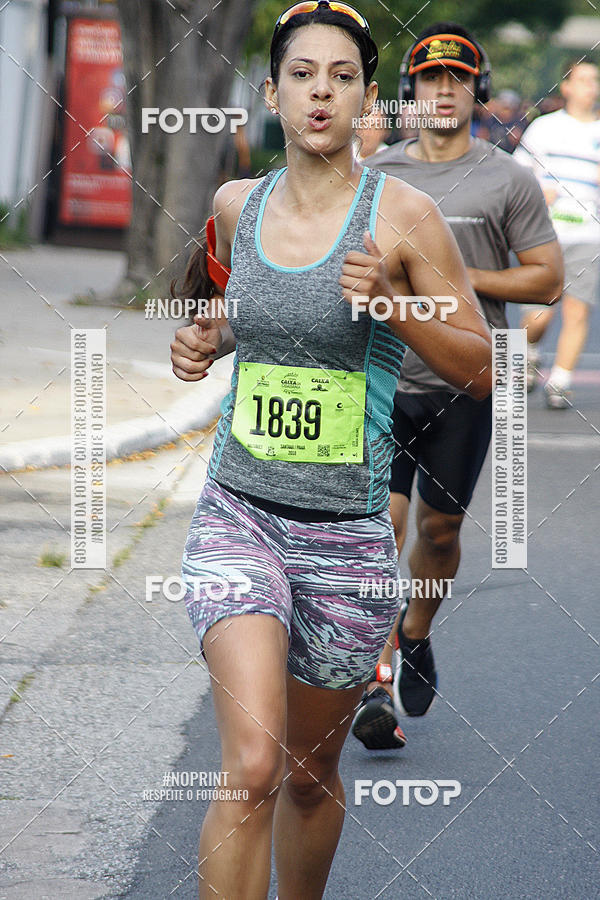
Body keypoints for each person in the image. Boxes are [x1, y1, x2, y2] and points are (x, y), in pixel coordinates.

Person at [170, 4, 492, 897]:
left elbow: (480, 369)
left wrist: (393, 305)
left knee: (309, 776)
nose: (321, 91)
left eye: (342, 76)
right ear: (271, 93)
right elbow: (237, 315)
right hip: (240, 516)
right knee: (252, 764)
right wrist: (202, 343)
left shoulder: (406, 217)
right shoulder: (238, 204)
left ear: (367, 99)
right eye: (303, 74)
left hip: (349, 538)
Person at [350, 22, 563, 750]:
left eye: (459, 78)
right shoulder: (378, 175)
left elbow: (549, 279)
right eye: (432, 78)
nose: (445, 90)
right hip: (383, 378)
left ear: (476, 90)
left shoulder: (509, 178)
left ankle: (415, 631)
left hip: (466, 383)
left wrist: (451, 275)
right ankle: (374, 679)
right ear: (411, 91)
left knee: (439, 532)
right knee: (382, 527)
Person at [514, 60, 600, 408]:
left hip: (588, 235)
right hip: (544, 233)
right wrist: (539, 192)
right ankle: (529, 352)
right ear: (565, 87)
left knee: (578, 311)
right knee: (539, 314)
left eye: (594, 80)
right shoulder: (544, 128)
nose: (590, 86)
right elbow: (518, 174)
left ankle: (560, 382)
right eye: (582, 80)